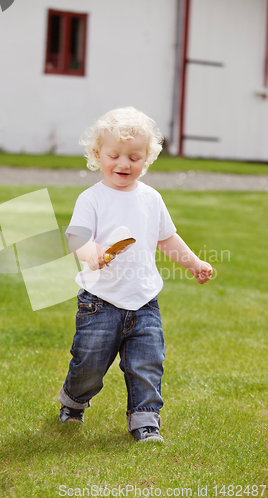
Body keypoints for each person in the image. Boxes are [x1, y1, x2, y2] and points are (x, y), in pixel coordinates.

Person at [58, 107, 212, 443]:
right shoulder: (92, 199)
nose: (124, 164)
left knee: (148, 362)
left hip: (144, 302)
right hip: (100, 303)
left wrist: (194, 263)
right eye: (114, 155)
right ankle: (73, 400)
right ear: (98, 155)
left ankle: (144, 419)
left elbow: (166, 238)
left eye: (134, 157)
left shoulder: (151, 199)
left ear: (148, 158)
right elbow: (77, 237)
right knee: (89, 365)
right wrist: (92, 253)